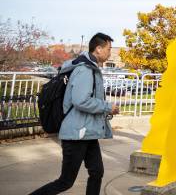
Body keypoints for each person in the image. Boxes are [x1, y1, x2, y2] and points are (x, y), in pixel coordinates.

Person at [30, 33, 119, 195]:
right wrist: (107, 107)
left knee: (97, 172)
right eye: (108, 49)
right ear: (98, 49)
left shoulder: (91, 68)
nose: (109, 53)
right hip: (76, 134)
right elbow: (81, 100)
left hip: (87, 132)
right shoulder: (85, 70)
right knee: (65, 182)